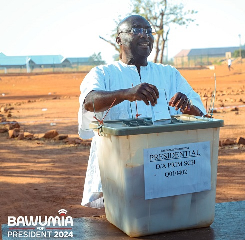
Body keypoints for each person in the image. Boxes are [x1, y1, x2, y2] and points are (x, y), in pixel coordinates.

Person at [78, 15, 207, 208]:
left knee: (166, 222)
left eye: (148, 31)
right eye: (137, 30)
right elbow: (89, 102)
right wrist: (125, 94)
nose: (145, 35)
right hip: (118, 167)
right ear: (119, 39)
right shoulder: (102, 73)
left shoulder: (168, 74)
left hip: (164, 166)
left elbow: (200, 114)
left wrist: (187, 106)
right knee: (123, 226)